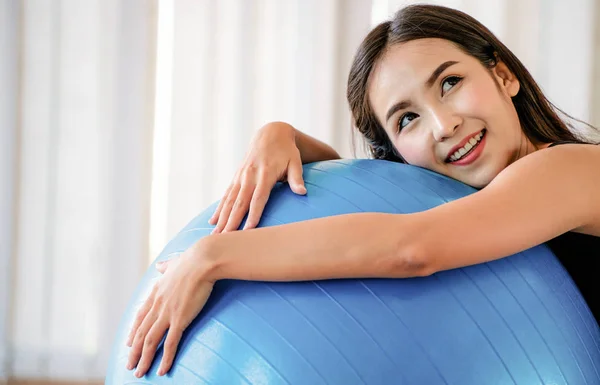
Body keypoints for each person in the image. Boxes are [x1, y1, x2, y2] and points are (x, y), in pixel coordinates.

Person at [125, 4, 600, 378]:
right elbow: (363, 201)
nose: (444, 125)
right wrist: (280, 134)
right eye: (407, 118)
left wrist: (213, 255)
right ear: (395, 150)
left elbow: (411, 246)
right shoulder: (478, 206)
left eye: (451, 83)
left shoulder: (572, 169)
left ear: (502, 76)